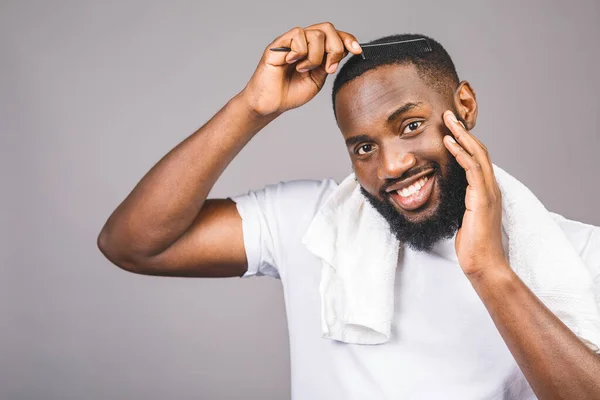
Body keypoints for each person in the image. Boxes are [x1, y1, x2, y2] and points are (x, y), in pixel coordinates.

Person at [97, 22, 600, 399]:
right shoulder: (316, 225)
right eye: (363, 148)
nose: (392, 165)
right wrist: (253, 107)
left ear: (464, 105)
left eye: (410, 126)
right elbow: (133, 245)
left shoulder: (577, 254)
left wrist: (490, 271)